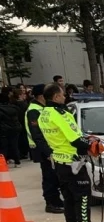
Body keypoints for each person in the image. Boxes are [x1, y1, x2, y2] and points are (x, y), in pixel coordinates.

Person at [39, 82, 104, 222]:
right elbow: (75, 139)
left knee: (69, 199)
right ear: (56, 97)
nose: (65, 97)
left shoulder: (44, 114)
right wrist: (92, 145)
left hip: (60, 162)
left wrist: (87, 138)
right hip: (73, 163)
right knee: (83, 197)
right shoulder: (59, 114)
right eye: (62, 95)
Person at [25, 84, 65, 214]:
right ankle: (51, 203)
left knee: (54, 176)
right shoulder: (34, 111)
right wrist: (47, 152)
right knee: (49, 177)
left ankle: (56, 201)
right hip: (42, 149)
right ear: (41, 96)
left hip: (50, 148)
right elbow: (37, 134)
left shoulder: (43, 109)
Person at [0, 89, 22, 167]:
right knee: (15, 146)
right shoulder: (14, 107)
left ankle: (3, 163)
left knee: (4, 147)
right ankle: (17, 161)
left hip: (4, 130)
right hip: (15, 128)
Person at [13, 87, 30, 160]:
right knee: (24, 139)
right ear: (19, 95)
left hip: (17, 124)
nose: (25, 95)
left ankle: (21, 153)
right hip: (23, 123)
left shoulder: (13, 103)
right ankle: (24, 153)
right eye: (23, 94)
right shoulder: (23, 104)